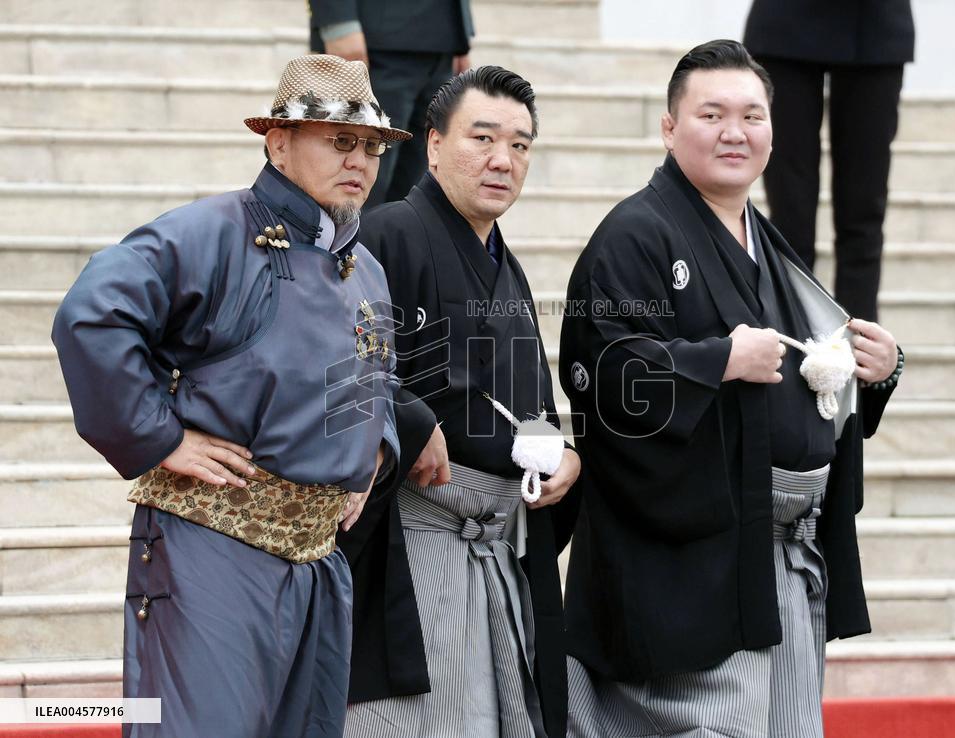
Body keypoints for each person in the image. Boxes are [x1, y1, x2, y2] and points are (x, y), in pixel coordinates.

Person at [51, 55, 411, 738]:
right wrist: (160, 436)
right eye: (338, 141)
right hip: (212, 550)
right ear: (278, 141)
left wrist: (375, 450)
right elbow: (92, 315)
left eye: (369, 146)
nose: (359, 160)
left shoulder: (366, 266)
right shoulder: (211, 232)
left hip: (318, 560)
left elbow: (378, 374)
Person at [558, 41, 904, 738]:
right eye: (711, 114)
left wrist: (878, 367)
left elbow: (816, 365)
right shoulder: (635, 234)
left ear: (774, 129)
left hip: (778, 555)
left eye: (752, 115)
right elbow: (603, 378)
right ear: (668, 127)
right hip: (696, 559)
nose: (734, 132)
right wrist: (717, 359)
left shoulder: (765, 240)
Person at [339, 66, 581, 738]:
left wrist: (564, 457)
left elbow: (532, 404)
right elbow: (334, 371)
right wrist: (411, 422)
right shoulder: (386, 234)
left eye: (521, 145)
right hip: (417, 540)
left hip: (499, 544)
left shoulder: (509, 265)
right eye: (483, 137)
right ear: (434, 143)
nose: (504, 160)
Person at [744, 0, 916, 321]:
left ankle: (859, 355)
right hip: (784, 26)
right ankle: (790, 339)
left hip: (875, 28)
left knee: (863, 212)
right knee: (790, 217)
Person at [308, 0, 474, 209]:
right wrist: (339, 22)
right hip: (374, 46)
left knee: (411, 201)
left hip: (442, 42)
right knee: (353, 186)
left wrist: (460, 32)